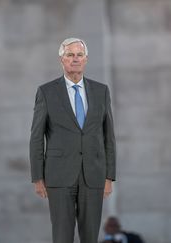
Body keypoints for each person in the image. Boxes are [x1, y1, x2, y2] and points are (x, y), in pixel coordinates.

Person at [29, 37, 116, 243]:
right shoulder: (46, 92)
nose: (75, 59)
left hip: (93, 175)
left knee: (90, 237)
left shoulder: (101, 91)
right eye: (70, 55)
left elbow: (108, 136)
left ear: (86, 60)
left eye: (79, 55)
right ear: (62, 59)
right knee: (62, 237)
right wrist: (37, 177)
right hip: (58, 176)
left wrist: (109, 176)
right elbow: (36, 138)